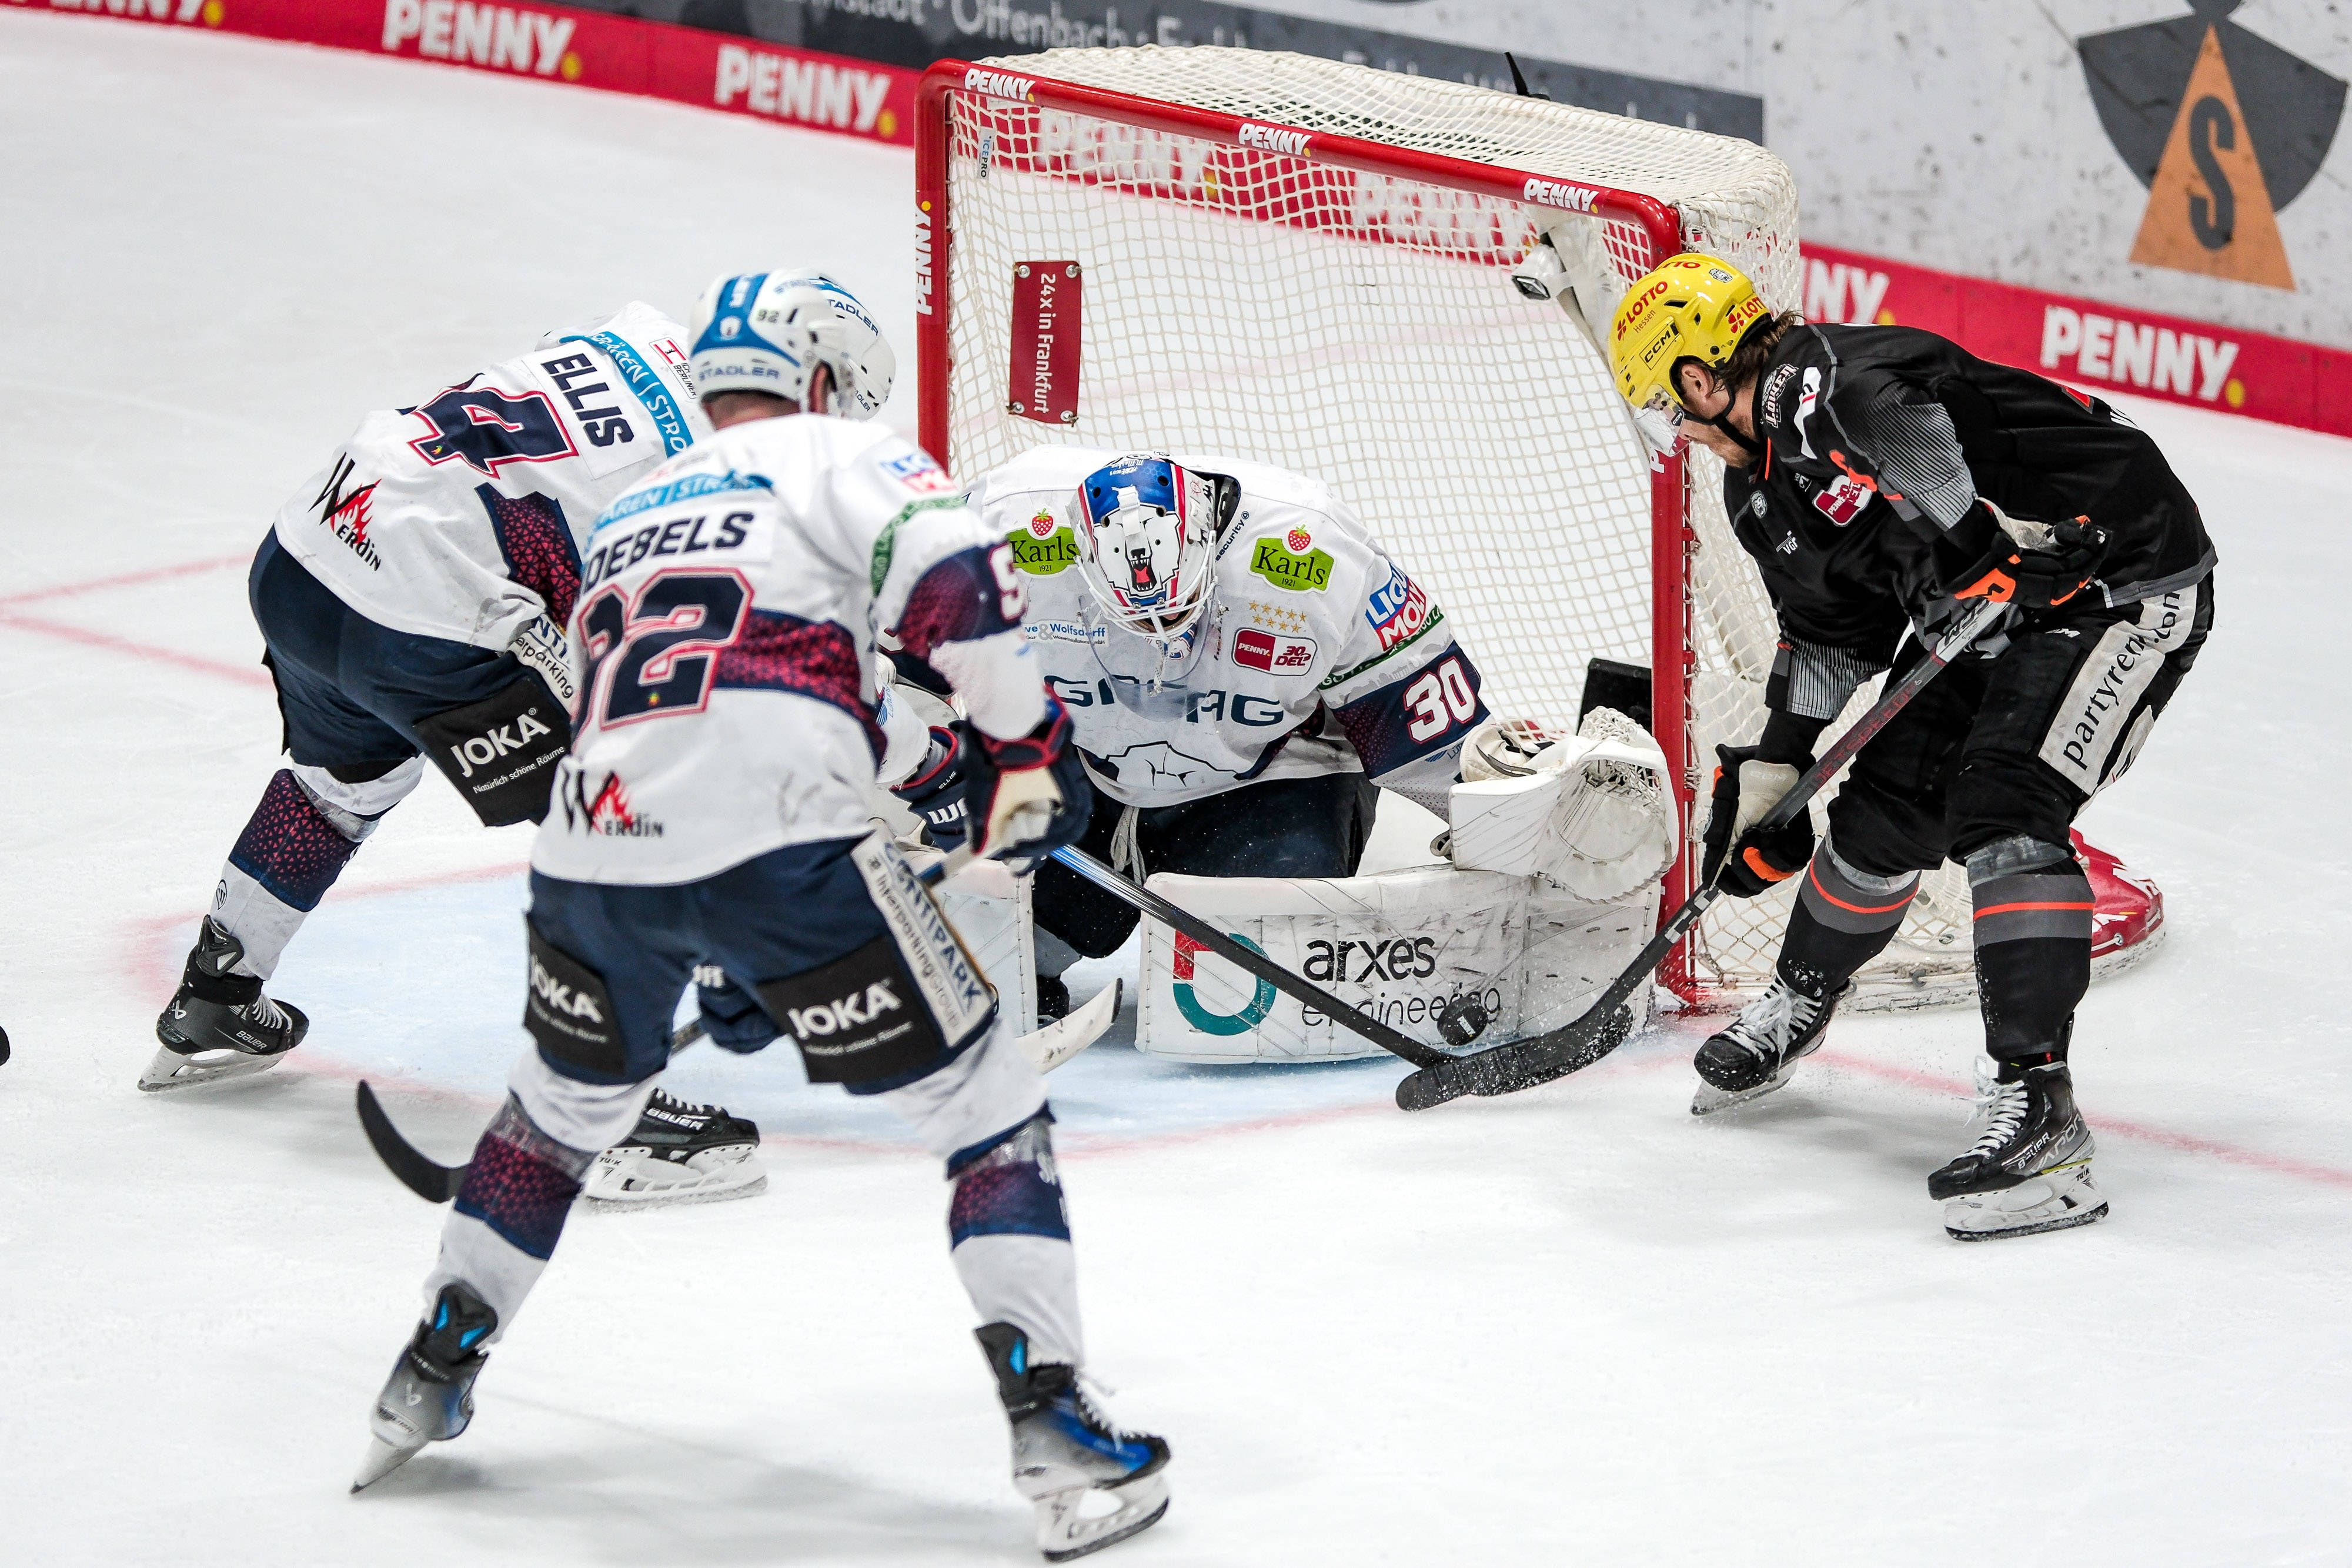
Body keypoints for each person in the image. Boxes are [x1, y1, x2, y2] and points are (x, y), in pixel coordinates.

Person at [353, 270, 1171, 1563]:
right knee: (985, 1105)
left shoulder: (632, 515)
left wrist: (750, 922)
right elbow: (956, 585)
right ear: (823, 381)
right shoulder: (846, 452)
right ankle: (1057, 1429)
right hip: (778, 834)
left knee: (560, 1112)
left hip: (589, 847)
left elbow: (708, 700)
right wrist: (1019, 751)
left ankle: (430, 1361)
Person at [1609, 253, 2214, 1239]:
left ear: (1701, 377)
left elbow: (1909, 429)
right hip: (1985, 615)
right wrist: (1779, 770)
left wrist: (1978, 539)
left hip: (2118, 584)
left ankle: (2040, 1109)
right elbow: (1828, 634)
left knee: (2004, 803)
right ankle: (1799, 998)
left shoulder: (1826, 385)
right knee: (1881, 814)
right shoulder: (1758, 494)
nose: (1675, 428)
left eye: (1667, 403)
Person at [139, 298, 778, 1202]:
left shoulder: (637, 330)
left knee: (340, 783)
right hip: (424, 617)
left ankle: (216, 990)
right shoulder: (729, 479)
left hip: (307, 550)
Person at [906, 446, 1488, 1018]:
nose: (1157, 629)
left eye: (1177, 608)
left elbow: (1422, 725)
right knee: (959, 954)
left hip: (1269, 781)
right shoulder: (1000, 527)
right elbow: (884, 672)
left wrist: (1499, 840)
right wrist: (928, 759)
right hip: (1072, 769)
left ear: (1205, 543)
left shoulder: (1315, 552)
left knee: (1245, 1000)